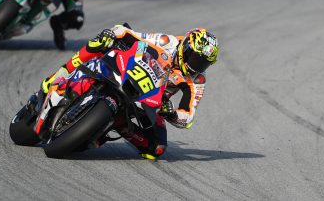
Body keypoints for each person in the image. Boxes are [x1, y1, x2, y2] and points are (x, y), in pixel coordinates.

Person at [39, 23, 220, 160]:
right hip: (129, 73)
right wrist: (113, 34)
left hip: (151, 100)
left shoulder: (197, 80)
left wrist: (171, 113)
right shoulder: (168, 42)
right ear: (186, 48)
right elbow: (130, 34)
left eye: (202, 63)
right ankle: (60, 74)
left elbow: (187, 117)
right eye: (195, 58)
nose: (196, 65)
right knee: (101, 42)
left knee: (156, 149)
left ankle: (119, 123)